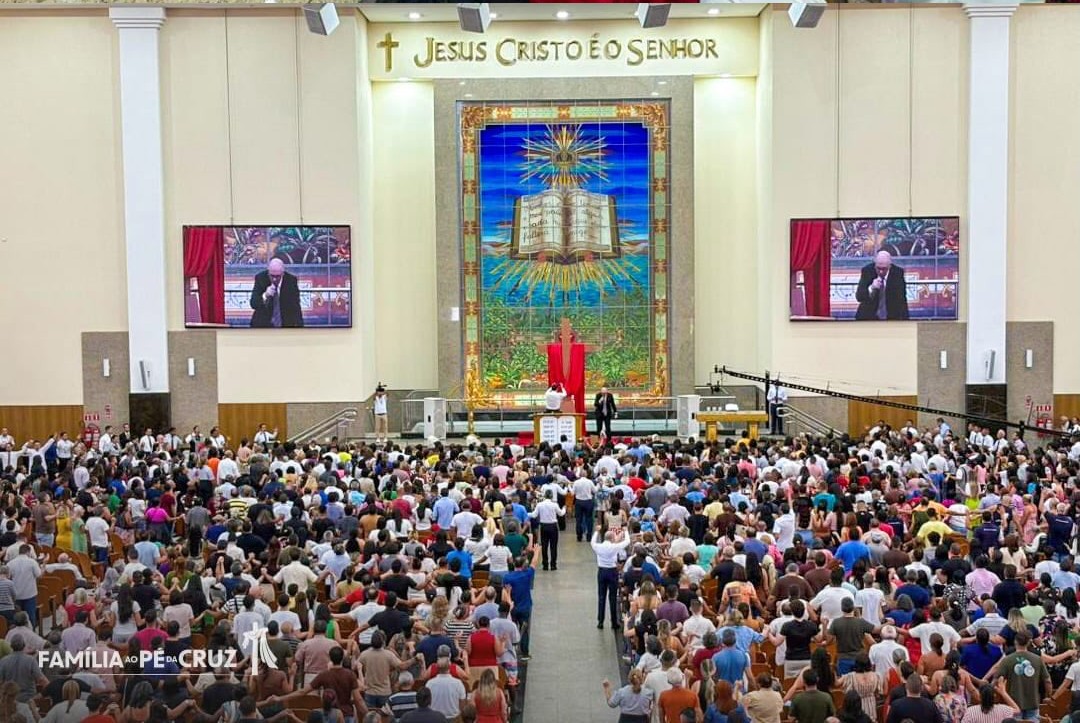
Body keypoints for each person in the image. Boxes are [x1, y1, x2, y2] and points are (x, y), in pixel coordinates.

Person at [992, 631, 1051, 721]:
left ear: (1015, 641)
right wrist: (1048, 695)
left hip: (1012, 704)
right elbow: (1047, 681)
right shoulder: (1037, 659)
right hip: (1033, 703)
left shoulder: (1007, 660)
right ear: (1028, 643)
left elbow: (996, 680)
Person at [854, 250, 909, 321]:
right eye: (878, 268)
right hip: (868, 317)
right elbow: (859, 297)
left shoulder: (897, 273)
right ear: (875, 264)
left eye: (884, 269)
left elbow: (902, 300)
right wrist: (871, 288)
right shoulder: (867, 271)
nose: (881, 271)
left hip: (891, 317)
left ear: (890, 266)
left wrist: (906, 321)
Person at [249, 257, 304, 328]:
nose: (274, 279)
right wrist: (265, 295)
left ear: (283, 273)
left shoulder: (291, 281)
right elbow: (253, 304)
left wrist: (300, 326)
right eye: (272, 276)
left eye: (277, 276)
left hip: (285, 323)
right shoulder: (261, 278)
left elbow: (296, 306)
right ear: (268, 272)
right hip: (263, 324)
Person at [593, 528, 630, 630]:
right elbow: (627, 541)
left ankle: (600, 621)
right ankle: (614, 622)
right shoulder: (614, 547)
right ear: (612, 538)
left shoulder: (598, 546)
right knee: (613, 597)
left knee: (601, 596)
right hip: (612, 572)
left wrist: (596, 531)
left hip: (601, 571)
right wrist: (625, 531)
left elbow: (592, 542)